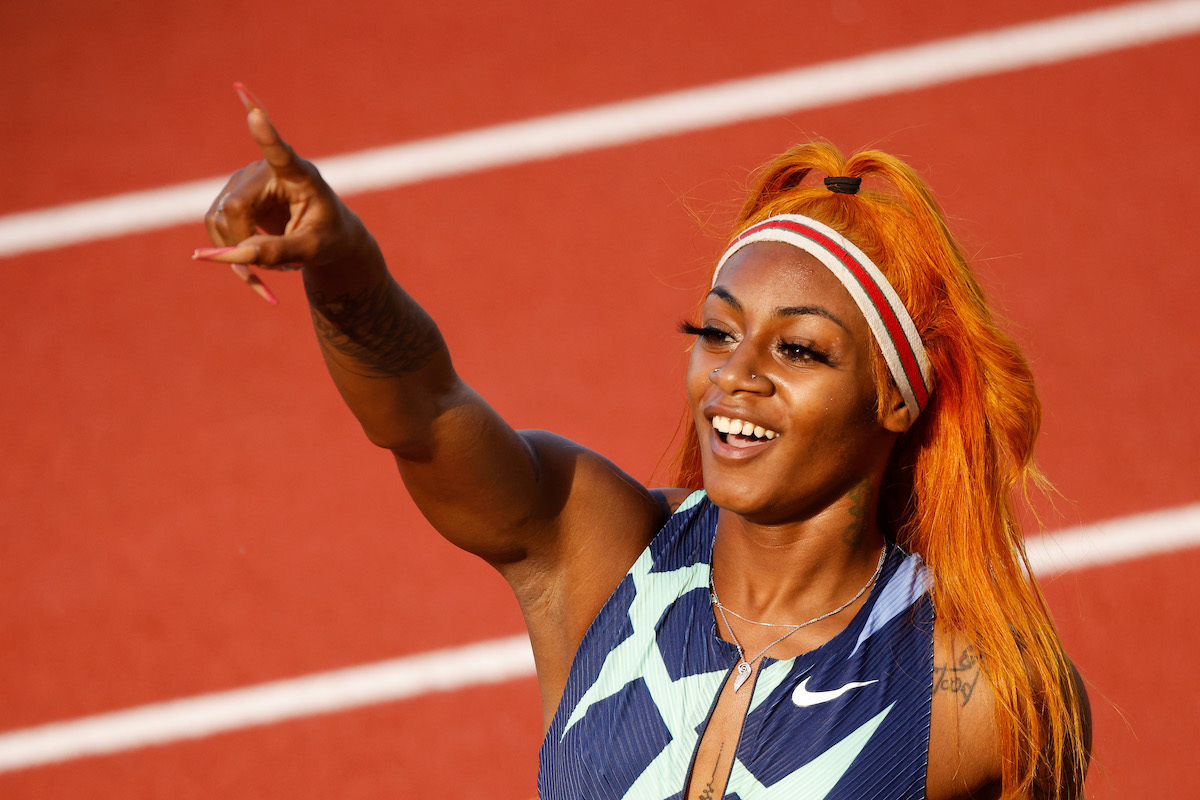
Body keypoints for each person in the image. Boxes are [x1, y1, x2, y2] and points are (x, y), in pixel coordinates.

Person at [197, 86, 1091, 799]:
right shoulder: (597, 552)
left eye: (799, 349)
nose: (735, 375)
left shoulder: (979, 694)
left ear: (895, 398)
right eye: (716, 333)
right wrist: (341, 263)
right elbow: (425, 415)